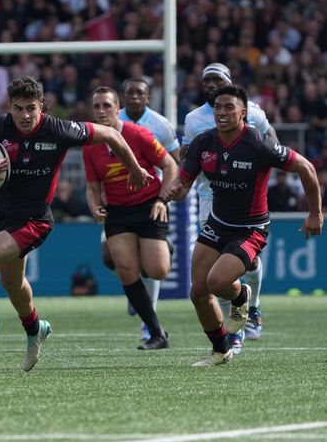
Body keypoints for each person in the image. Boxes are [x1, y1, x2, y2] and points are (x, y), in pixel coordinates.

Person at [0, 76, 152, 372]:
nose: (25, 116)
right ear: (9, 107)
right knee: (11, 282)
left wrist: (135, 169)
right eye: (18, 109)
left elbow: (111, 135)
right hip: (3, 215)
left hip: (34, 221)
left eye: (31, 108)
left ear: (41, 107)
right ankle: (35, 331)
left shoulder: (58, 129)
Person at [167, 84, 323, 367]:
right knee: (198, 292)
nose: (222, 112)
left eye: (229, 107)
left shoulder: (258, 143)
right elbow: (184, 183)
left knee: (217, 282)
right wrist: (175, 190)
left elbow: (306, 168)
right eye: (217, 107)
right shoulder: (203, 142)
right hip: (216, 223)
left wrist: (315, 213)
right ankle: (220, 349)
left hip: (250, 228)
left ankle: (241, 295)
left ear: (243, 112)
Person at [181, 63, 277, 354]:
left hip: (245, 195)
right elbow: (187, 153)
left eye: (217, 80)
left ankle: (253, 305)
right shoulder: (194, 118)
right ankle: (234, 334)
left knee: (247, 262)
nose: (211, 84)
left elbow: (270, 138)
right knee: (214, 273)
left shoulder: (252, 111)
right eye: (206, 80)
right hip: (209, 197)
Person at [84, 87, 177, 350]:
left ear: (117, 108)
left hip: (149, 207)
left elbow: (170, 166)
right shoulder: (91, 146)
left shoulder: (138, 134)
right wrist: (94, 207)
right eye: (97, 106)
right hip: (118, 213)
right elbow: (92, 186)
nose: (101, 111)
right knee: (126, 269)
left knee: (157, 270)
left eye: (106, 106)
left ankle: (165, 248)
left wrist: (162, 200)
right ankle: (157, 333)